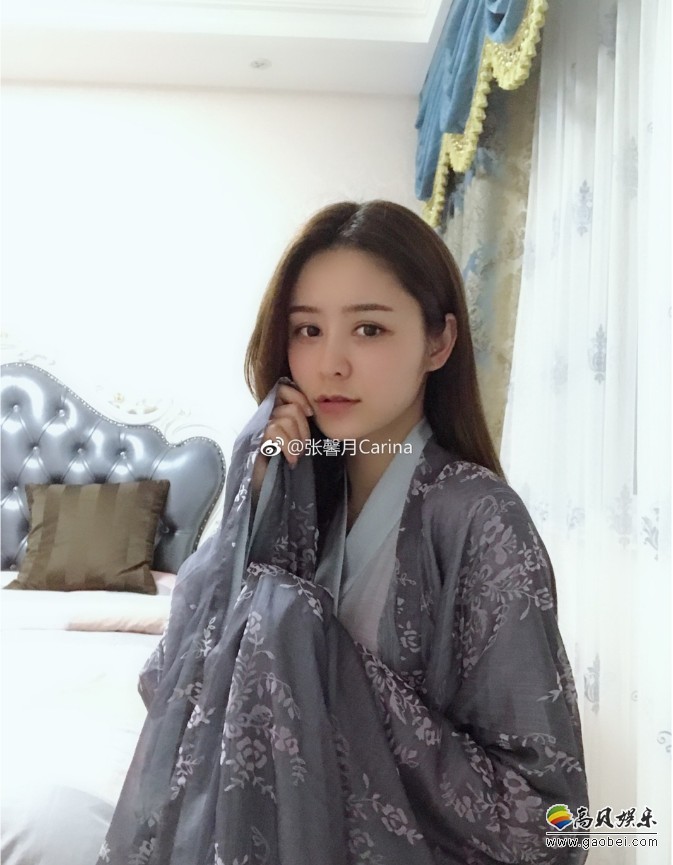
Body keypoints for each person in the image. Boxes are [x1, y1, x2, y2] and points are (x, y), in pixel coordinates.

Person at [97, 201, 588, 865]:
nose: (330, 362)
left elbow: (550, 821)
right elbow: (175, 690)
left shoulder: (481, 520)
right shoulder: (289, 500)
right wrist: (254, 512)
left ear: (438, 342)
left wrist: (313, 655)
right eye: (307, 329)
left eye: (368, 329)